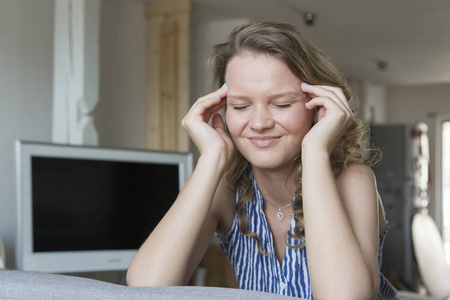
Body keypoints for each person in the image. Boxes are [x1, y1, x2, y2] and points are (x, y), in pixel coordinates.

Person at [127, 22, 398, 300]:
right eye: (241, 106)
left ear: (318, 106)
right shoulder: (226, 189)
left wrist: (315, 150)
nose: (258, 123)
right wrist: (212, 157)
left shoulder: (353, 181)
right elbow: (145, 288)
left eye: (282, 104)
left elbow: (344, 297)